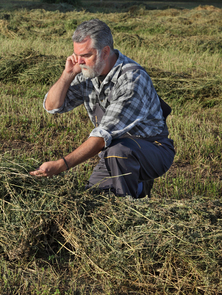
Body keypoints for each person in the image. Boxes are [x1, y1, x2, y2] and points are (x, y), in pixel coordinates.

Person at [29, 19, 175, 198]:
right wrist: (67, 75)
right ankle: (131, 187)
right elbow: (53, 106)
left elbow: (101, 137)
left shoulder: (132, 78)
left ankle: (131, 205)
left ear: (105, 52)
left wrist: (61, 165)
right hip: (114, 149)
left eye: (86, 55)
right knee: (93, 198)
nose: (80, 61)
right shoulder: (88, 72)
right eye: (76, 55)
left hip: (152, 150)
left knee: (118, 154)